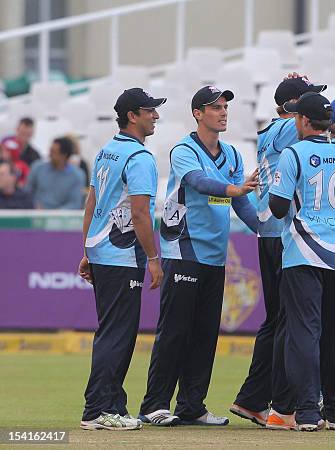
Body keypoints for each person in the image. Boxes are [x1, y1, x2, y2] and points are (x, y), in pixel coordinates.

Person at [231, 52, 335, 431]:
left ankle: (258, 400)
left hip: (277, 234)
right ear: (295, 112)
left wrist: (256, 223)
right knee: (293, 326)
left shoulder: (273, 134)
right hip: (290, 238)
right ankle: (282, 402)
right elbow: (329, 112)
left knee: (281, 323)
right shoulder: (286, 133)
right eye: (311, 98)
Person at [139, 85, 259, 427]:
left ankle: (192, 405)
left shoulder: (233, 154)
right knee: (175, 330)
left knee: (206, 334)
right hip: (184, 249)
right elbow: (198, 182)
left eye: (225, 107)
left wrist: (266, 232)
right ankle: (155, 404)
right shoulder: (184, 149)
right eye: (215, 107)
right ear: (197, 113)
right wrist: (234, 189)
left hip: (215, 255)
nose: (223, 112)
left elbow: (242, 205)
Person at [268, 92, 335, 431]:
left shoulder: (293, 153)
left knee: (304, 333)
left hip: (303, 252)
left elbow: (278, 208)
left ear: (301, 120)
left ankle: (308, 412)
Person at [78, 87, 166, 430]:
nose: (155, 115)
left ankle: (109, 405)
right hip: (122, 255)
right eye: (149, 110)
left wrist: (87, 250)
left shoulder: (107, 151)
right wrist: (154, 258)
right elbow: (141, 215)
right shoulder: (139, 158)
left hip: (102, 251)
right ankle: (99, 410)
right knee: (118, 334)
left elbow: (91, 204)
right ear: (132, 115)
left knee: (111, 332)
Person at [26, 137, 86, 209]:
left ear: (63, 156)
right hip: (35, 214)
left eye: (53, 152)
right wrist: (34, 204)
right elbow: (27, 192)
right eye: (50, 151)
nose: (49, 155)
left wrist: (55, 214)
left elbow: (74, 203)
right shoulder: (37, 168)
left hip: (62, 218)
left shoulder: (77, 176)